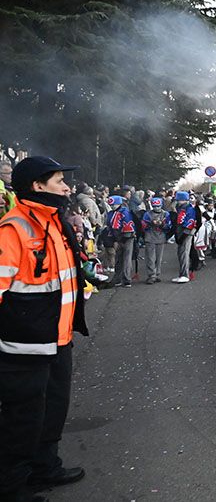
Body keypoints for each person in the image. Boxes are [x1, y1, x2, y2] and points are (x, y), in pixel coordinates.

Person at [0, 157, 88, 502]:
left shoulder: (55, 223)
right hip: (23, 348)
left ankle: (44, 467)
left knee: (53, 410)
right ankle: (10, 487)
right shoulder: (14, 229)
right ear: (38, 186)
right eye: (59, 181)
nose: (67, 188)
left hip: (58, 340)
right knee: (22, 419)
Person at [104, 195, 136, 288]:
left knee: (126, 258)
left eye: (114, 204)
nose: (113, 206)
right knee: (118, 258)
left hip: (127, 237)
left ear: (119, 203)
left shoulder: (125, 212)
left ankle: (127, 279)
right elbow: (109, 226)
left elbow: (128, 226)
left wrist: (121, 238)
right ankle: (118, 278)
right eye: (111, 204)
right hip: (117, 238)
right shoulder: (111, 213)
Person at [141, 197, 172, 284]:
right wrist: (151, 223)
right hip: (150, 237)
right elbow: (143, 226)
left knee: (159, 258)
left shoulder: (166, 214)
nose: (156, 208)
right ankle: (151, 275)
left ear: (161, 205)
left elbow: (169, 226)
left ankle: (157, 274)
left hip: (161, 237)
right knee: (150, 258)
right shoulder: (147, 214)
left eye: (158, 206)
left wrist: (162, 224)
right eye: (154, 206)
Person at [171, 192, 197, 283]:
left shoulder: (189, 209)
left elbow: (190, 222)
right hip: (180, 232)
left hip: (186, 233)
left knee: (184, 253)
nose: (177, 202)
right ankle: (181, 274)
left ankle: (185, 275)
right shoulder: (180, 208)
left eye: (178, 200)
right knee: (180, 253)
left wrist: (184, 235)